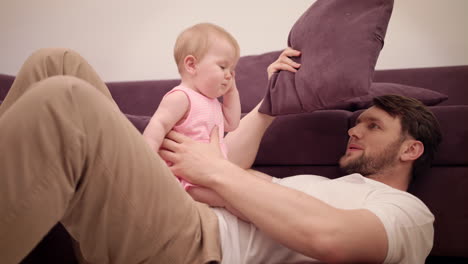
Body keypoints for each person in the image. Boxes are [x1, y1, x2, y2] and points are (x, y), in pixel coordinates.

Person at [0, 47, 440, 264]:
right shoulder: (322, 187)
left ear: (411, 149)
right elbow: (228, 183)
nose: (354, 129)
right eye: (356, 121)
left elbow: (334, 239)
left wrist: (217, 173)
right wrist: (270, 103)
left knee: (66, 100)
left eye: (373, 125)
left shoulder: (407, 212)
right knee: (55, 63)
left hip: (201, 244)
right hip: (176, 209)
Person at [142, 23, 244, 218]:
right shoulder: (181, 97)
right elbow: (158, 125)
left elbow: (232, 123)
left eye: (232, 70)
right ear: (192, 65)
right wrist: (149, 160)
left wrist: (232, 91)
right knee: (238, 200)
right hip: (188, 180)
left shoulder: (213, 102)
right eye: (223, 66)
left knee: (241, 195)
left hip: (211, 175)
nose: (229, 74)